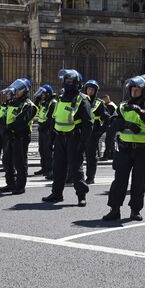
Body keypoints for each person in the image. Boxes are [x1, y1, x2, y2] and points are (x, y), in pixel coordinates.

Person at [102, 76, 145, 221]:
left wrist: (140, 112)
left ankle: (135, 210)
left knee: (139, 181)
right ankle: (114, 210)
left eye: (137, 90)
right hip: (124, 149)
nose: (134, 93)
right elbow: (113, 123)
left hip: (143, 150)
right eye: (132, 90)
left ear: (144, 92)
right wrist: (128, 125)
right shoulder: (122, 106)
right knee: (119, 181)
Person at [42, 69, 92, 207]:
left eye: (70, 81)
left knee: (76, 169)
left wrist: (83, 142)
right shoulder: (60, 98)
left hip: (74, 138)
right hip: (60, 137)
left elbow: (88, 124)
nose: (67, 83)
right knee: (58, 167)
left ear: (77, 83)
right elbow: (54, 119)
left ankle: (81, 196)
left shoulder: (82, 100)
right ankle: (56, 194)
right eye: (66, 81)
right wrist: (51, 138)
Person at [4, 79, 37, 195]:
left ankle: (20, 186)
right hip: (10, 135)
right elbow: (6, 117)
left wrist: (9, 128)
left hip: (21, 136)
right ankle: (10, 183)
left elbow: (22, 122)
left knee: (20, 161)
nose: (16, 92)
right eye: (16, 89)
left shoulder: (29, 105)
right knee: (7, 160)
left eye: (19, 90)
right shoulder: (13, 102)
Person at [83, 80, 109, 184]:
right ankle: (73, 176)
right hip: (81, 132)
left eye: (92, 89)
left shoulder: (99, 103)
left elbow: (107, 119)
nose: (90, 91)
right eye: (88, 89)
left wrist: (100, 132)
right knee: (76, 155)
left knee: (91, 157)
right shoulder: (81, 100)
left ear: (95, 91)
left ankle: (90, 177)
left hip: (92, 134)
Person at [33, 84, 56, 180]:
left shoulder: (53, 103)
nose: (42, 96)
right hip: (42, 130)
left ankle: (50, 170)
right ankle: (44, 168)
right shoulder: (44, 103)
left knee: (48, 151)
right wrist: (37, 100)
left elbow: (51, 118)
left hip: (48, 130)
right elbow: (37, 111)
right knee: (42, 150)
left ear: (48, 94)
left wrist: (44, 127)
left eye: (43, 94)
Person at [0, 88, 13, 192]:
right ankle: (10, 182)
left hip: (10, 132)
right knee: (4, 155)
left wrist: (1, 121)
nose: (6, 95)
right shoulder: (4, 104)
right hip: (2, 130)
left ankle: (15, 184)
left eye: (8, 94)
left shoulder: (15, 104)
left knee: (11, 157)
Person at [100, 94, 117, 161]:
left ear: (106, 98)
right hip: (113, 124)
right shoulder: (113, 104)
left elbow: (107, 116)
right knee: (111, 141)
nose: (103, 101)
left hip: (111, 125)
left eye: (103, 99)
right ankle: (112, 155)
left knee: (108, 141)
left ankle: (106, 156)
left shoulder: (109, 106)